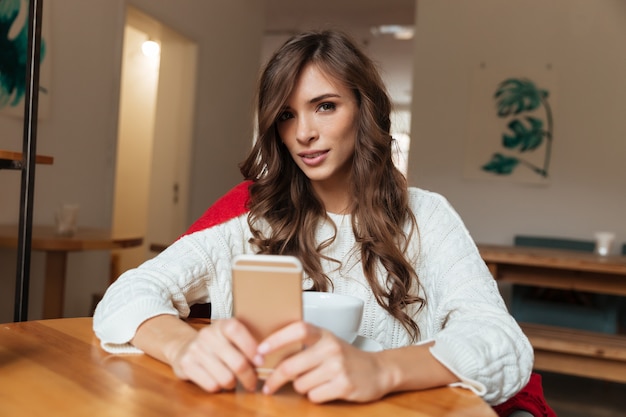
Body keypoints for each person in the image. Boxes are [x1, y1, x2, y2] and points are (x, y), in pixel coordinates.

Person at [94, 30, 533, 407]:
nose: (303, 132)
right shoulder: (255, 222)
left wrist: (380, 370)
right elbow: (128, 294)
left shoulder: (427, 216)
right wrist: (185, 346)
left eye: (325, 105)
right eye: (286, 115)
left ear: (364, 109)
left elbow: (502, 343)